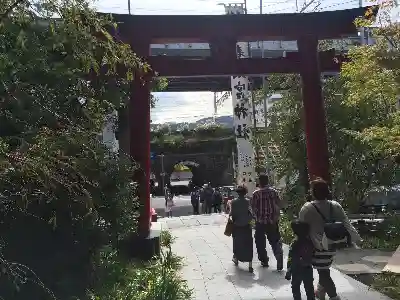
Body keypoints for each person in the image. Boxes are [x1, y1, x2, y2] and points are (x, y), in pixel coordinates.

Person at [299, 178, 362, 300]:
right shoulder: (335, 205)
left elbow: (301, 228)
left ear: (313, 192)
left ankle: (334, 296)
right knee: (324, 270)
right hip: (334, 244)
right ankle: (320, 293)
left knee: (323, 274)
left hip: (318, 247)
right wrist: (355, 239)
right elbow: (346, 223)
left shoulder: (307, 208)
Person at [250, 174, 284, 270]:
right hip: (272, 221)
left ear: (259, 182)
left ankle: (264, 260)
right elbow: (279, 204)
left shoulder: (256, 193)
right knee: (274, 240)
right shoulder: (274, 192)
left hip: (260, 222)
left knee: (259, 241)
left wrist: (256, 216)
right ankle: (278, 255)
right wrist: (276, 216)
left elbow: (252, 207)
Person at [285, 220, 315, 300]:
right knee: (309, 288)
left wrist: (289, 270)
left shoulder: (294, 243)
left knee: (295, 287)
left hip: (297, 269)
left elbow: (291, 258)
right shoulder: (310, 242)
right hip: (308, 268)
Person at [229, 185, 254, 272]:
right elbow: (251, 213)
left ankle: (236, 258)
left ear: (237, 193)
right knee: (248, 244)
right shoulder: (248, 201)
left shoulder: (233, 202)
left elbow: (231, 214)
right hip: (247, 226)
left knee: (236, 243)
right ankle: (250, 264)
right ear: (245, 192)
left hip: (237, 226)